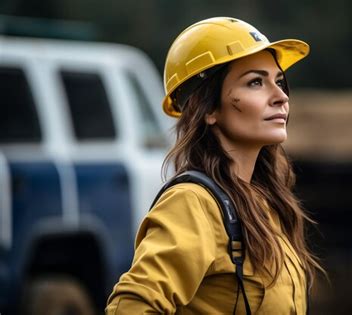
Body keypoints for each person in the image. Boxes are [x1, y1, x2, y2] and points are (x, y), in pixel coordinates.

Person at [105, 17, 323, 314]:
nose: (281, 97)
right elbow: (130, 307)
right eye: (256, 82)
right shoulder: (192, 204)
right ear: (208, 107)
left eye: (280, 82)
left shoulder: (267, 202)